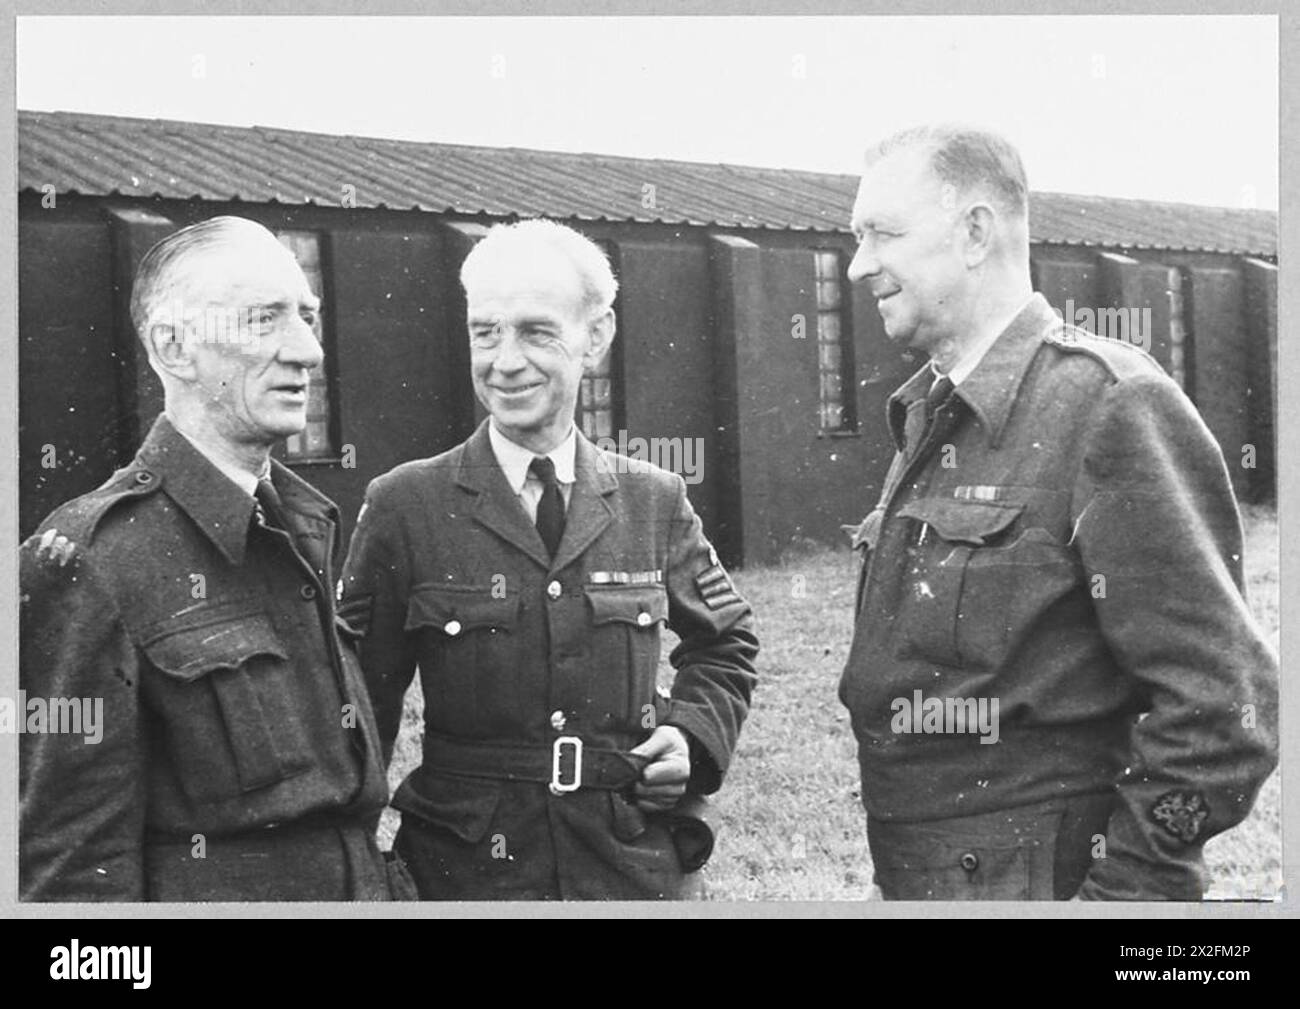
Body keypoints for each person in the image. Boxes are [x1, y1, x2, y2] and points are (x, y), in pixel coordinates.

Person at [838, 125, 1278, 900]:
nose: (859, 263)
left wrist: (1126, 897)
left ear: (975, 232)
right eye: (857, 236)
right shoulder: (932, 412)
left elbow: (1226, 706)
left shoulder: (1106, 403)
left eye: (884, 233)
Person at [339, 218, 758, 900]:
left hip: (630, 867)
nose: (504, 361)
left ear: (596, 337)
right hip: (466, 873)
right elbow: (358, 699)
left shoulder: (653, 499)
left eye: (536, 331)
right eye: (485, 332)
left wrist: (691, 738)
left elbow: (727, 639)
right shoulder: (405, 504)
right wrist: (355, 866)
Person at [20, 216, 406, 901]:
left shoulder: (302, 523)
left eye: (308, 316)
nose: (308, 351)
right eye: (264, 319)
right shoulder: (96, 558)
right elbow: (73, 870)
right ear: (175, 346)